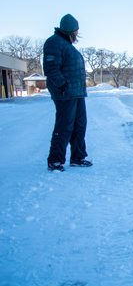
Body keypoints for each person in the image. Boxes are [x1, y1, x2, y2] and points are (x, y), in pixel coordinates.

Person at [43, 14, 92, 172]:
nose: (77, 34)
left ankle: (78, 158)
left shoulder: (66, 44)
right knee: (64, 126)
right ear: (70, 30)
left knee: (79, 126)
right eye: (76, 31)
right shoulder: (54, 42)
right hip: (65, 93)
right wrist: (62, 84)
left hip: (77, 93)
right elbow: (50, 68)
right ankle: (55, 161)